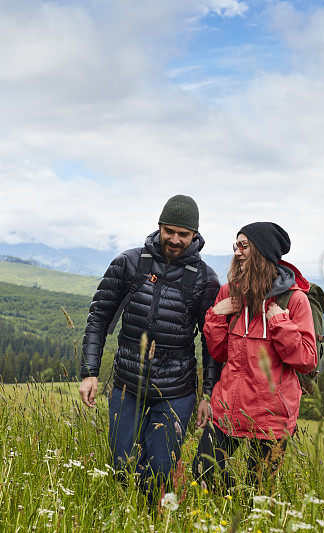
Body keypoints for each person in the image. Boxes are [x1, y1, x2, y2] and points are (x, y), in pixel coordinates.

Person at [79, 194, 220, 501]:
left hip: (176, 392)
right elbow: (99, 318)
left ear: (195, 235)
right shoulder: (129, 262)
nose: (175, 239)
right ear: (159, 226)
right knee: (120, 466)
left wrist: (208, 393)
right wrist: (90, 372)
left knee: (159, 472)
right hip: (127, 384)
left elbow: (212, 342)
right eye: (169, 230)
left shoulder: (205, 279)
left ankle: (148, 519)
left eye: (183, 234)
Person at [192, 222, 317, 490]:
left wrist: (282, 325)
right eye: (235, 245)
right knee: (203, 469)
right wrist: (215, 317)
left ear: (263, 252)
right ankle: (228, 507)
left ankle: (242, 514)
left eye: (244, 245)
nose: (237, 252)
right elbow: (219, 352)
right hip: (229, 407)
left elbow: (307, 360)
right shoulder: (229, 292)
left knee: (257, 491)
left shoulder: (294, 300)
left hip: (272, 416)